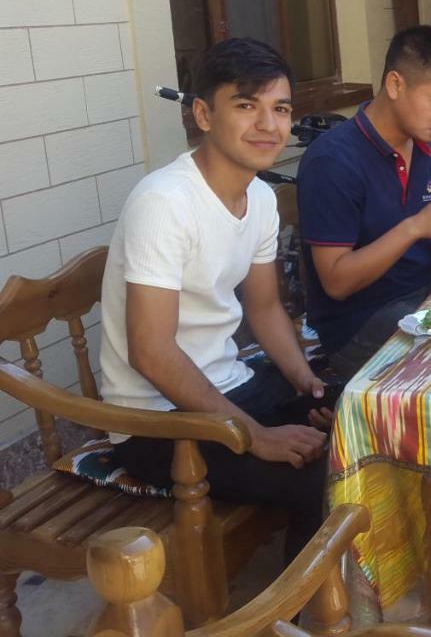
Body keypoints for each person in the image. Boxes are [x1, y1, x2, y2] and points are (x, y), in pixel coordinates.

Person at [101, 38, 333, 559]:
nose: (269, 126)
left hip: (230, 387)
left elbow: (265, 307)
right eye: (246, 106)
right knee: (328, 478)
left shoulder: (261, 199)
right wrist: (252, 436)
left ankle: (320, 588)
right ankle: (292, 612)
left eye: (280, 109)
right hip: (158, 423)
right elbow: (151, 352)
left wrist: (307, 384)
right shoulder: (165, 204)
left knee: (351, 415)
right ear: (203, 114)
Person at [298, 26, 431, 379]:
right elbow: (336, 281)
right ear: (396, 85)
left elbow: (419, 237)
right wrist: (415, 227)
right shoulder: (334, 161)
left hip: (421, 301)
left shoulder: (427, 148)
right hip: (359, 323)